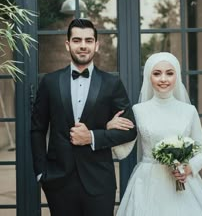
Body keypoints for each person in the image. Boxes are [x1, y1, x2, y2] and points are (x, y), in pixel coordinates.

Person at [31, 18, 137, 216]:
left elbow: (130, 130)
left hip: (99, 182)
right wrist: (41, 172)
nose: (83, 46)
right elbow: (37, 129)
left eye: (88, 41)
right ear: (67, 44)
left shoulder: (111, 84)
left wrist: (93, 136)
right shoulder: (50, 82)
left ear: (96, 45)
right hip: (58, 181)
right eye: (77, 40)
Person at [108, 52, 202, 216]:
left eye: (169, 73)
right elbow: (122, 152)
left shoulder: (189, 111)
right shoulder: (138, 111)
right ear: (149, 77)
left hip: (183, 185)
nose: (163, 79)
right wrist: (111, 130)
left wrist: (188, 169)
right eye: (156, 73)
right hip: (147, 184)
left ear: (177, 76)